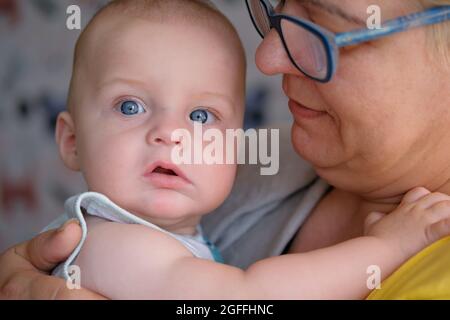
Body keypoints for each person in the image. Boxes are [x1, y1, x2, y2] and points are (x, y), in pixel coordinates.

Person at [1, 0, 450, 299]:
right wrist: (386, 248)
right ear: (72, 141)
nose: (169, 134)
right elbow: (245, 299)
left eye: (201, 116)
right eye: (131, 106)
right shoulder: (110, 243)